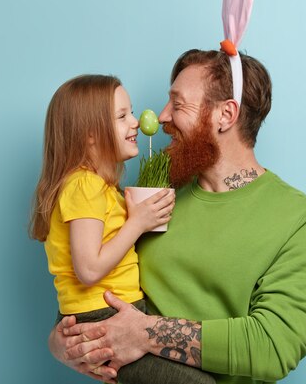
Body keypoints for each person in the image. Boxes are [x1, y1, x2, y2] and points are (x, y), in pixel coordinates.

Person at [48, 51, 306, 384]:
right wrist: (63, 344)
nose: (162, 116)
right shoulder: (156, 192)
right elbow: (92, 281)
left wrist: (146, 333)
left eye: (178, 104)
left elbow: (274, 346)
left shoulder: (300, 222)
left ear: (225, 115)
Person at [30, 74, 215, 384]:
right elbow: (88, 269)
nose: (135, 123)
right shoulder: (84, 185)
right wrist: (138, 223)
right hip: (102, 318)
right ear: (90, 135)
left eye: (131, 112)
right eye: (121, 116)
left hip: (112, 312)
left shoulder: (99, 187)